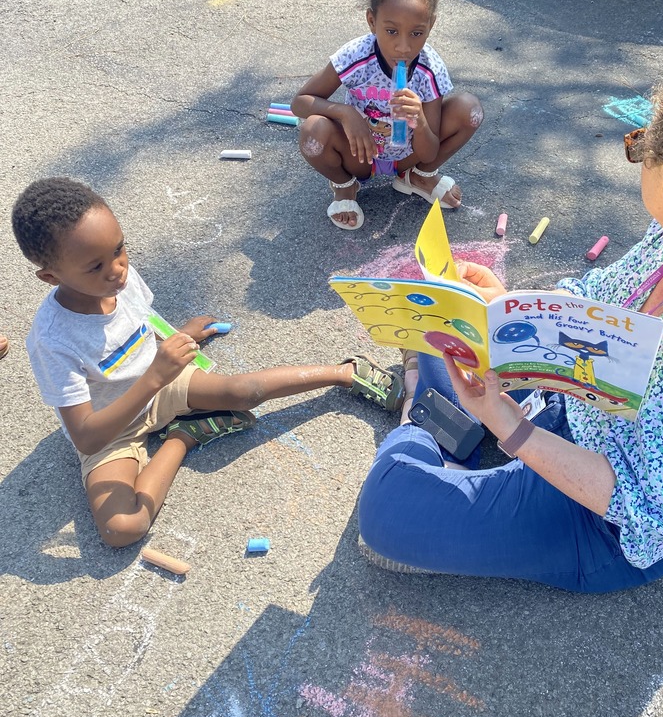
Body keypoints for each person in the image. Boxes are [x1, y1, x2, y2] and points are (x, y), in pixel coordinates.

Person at [358, 62, 663, 593]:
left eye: (640, 146)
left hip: (605, 517)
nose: (637, 158)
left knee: (390, 505)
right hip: (584, 400)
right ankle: (446, 425)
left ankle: (431, 421)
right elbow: (596, 301)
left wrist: (508, 425)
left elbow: (644, 504)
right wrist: (505, 306)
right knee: (450, 323)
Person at [11, 177, 404, 550]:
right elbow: (86, 437)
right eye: (95, 266)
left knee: (242, 392)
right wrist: (153, 378)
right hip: (109, 426)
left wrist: (178, 335)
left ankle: (345, 373)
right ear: (49, 276)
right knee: (122, 529)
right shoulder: (53, 340)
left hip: (161, 386)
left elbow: (141, 319)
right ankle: (185, 436)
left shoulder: (120, 279)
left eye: (119, 249)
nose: (117, 269)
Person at [292, 0, 483, 230]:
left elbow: (429, 148)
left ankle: (417, 178)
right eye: (391, 31)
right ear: (371, 21)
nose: (404, 47)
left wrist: (419, 120)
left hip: (407, 154)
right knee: (313, 132)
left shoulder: (429, 70)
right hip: (360, 155)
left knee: (470, 110)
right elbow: (301, 102)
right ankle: (344, 185)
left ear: (431, 25)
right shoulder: (357, 56)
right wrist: (344, 113)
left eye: (417, 33)